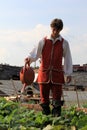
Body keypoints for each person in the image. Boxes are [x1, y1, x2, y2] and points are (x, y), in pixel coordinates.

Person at [24, 18, 73, 116]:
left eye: (57, 30)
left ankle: (56, 120)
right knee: (44, 100)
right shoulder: (43, 41)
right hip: (44, 74)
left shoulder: (64, 43)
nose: (55, 32)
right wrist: (29, 58)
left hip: (57, 75)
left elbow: (68, 58)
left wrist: (68, 73)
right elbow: (35, 54)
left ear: (60, 30)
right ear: (51, 28)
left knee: (57, 101)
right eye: (54, 29)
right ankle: (45, 120)